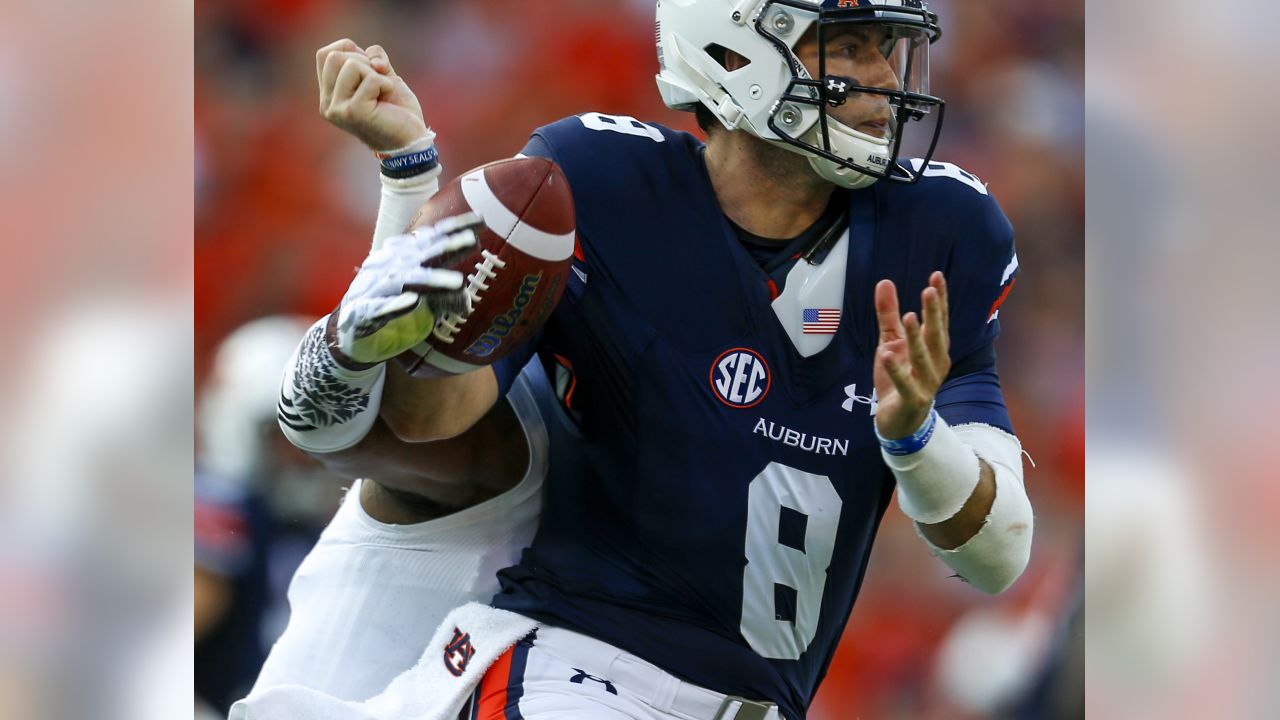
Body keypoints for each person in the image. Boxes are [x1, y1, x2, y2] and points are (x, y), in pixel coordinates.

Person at [263, 1, 1035, 718]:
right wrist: (412, 215)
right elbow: (435, 414)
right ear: (734, 52)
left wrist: (913, 437)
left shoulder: (943, 232)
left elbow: (998, 556)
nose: (884, 79)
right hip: (582, 672)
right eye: (848, 47)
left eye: (887, 48)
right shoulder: (599, 182)